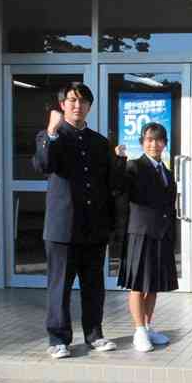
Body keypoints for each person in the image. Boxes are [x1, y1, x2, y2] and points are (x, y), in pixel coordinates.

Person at [32, 82, 125, 359]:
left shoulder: (99, 142)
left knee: (93, 286)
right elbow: (43, 165)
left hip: (93, 227)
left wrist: (120, 160)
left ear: (89, 106)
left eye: (83, 101)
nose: (77, 105)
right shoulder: (51, 135)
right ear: (62, 105)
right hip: (61, 228)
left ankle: (94, 334)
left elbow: (112, 184)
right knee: (59, 286)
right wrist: (51, 131)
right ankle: (58, 338)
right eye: (72, 100)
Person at [116, 123, 177, 352]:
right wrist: (119, 161)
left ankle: (148, 326)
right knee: (137, 284)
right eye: (150, 140)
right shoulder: (134, 166)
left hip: (160, 233)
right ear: (142, 142)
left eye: (159, 140)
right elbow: (119, 187)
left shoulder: (167, 172)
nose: (154, 144)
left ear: (165, 143)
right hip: (140, 232)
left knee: (153, 284)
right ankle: (139, 330)